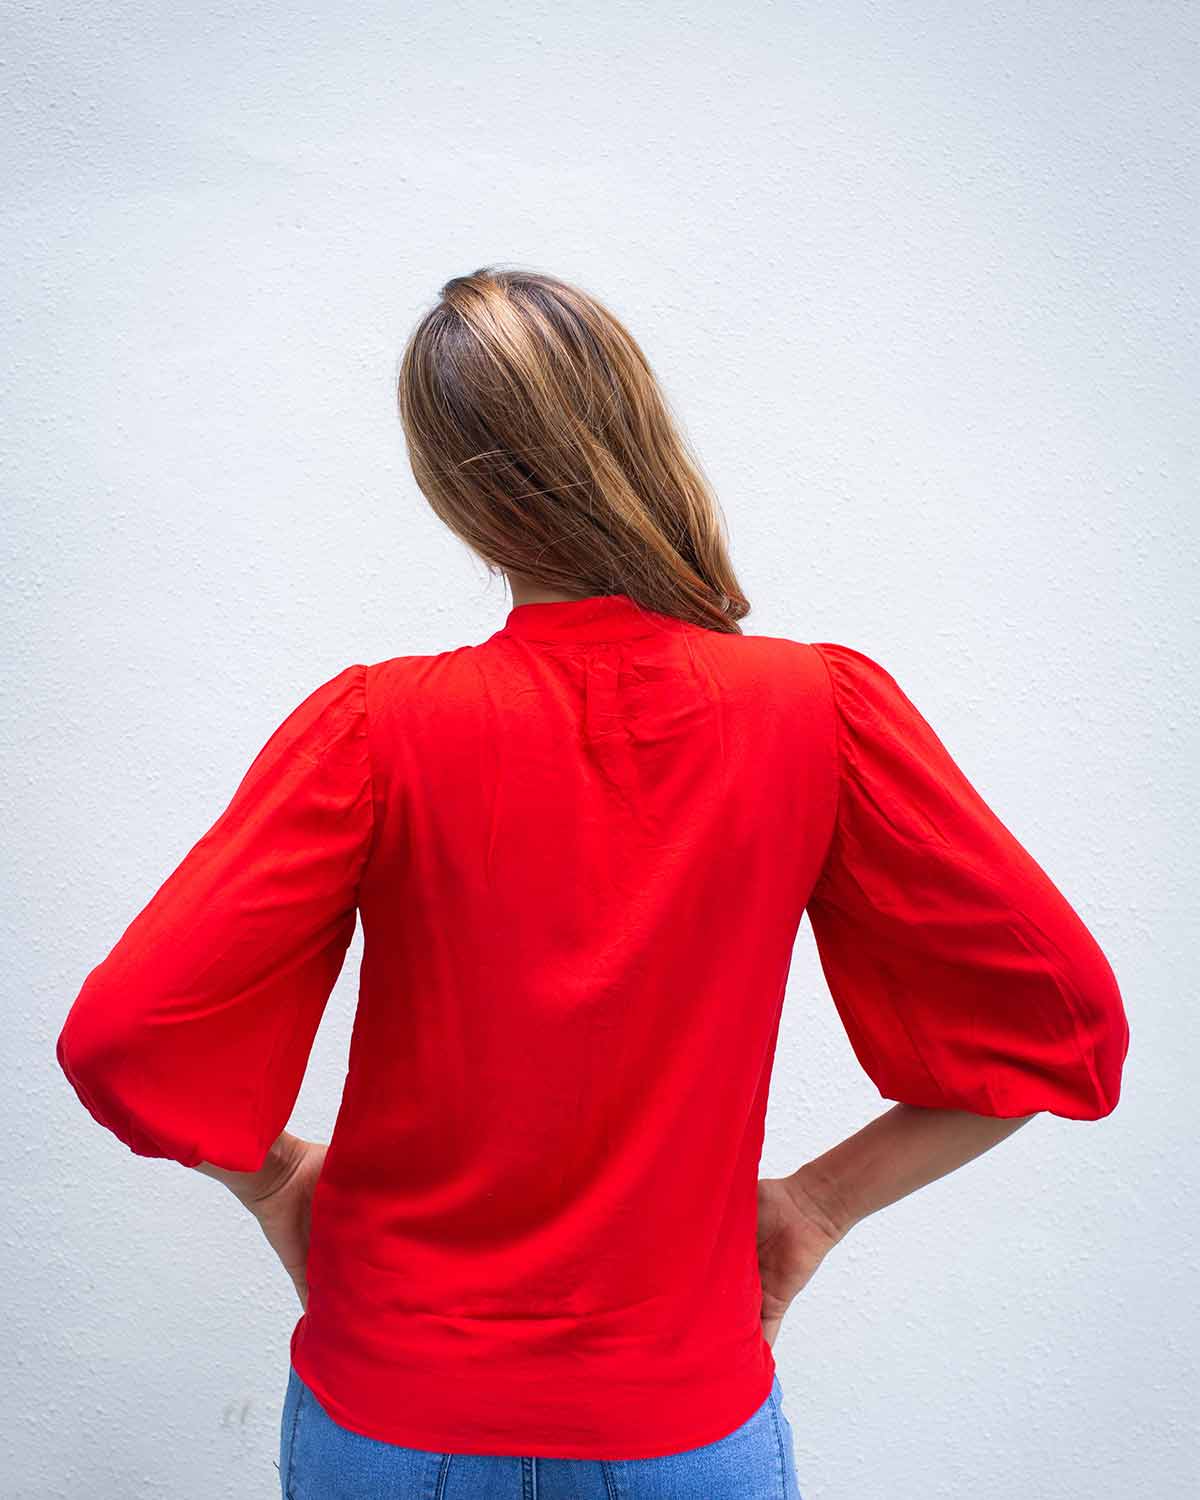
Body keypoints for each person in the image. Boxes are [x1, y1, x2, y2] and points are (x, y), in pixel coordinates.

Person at [54, 267, 1130, 1500]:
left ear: (454, 490)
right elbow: (1068, 1023)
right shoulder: (815, 710)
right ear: (635, 429)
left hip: (391, 1414)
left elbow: (121, 1035)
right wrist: (820, 1207)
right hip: (683, 1420)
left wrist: (284, 1181)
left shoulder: (378, 725)